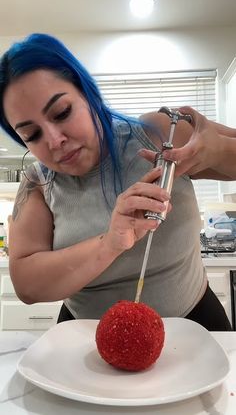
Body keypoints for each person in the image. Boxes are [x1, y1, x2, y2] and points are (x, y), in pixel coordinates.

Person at [0, 33, 235, 331]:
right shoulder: (38, 183)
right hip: (87, 339)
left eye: (62, 113)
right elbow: (27, 285)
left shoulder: (161, 132)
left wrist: (218, 151)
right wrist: (110, 243)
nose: (55, 141)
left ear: (87, 93)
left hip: (194, 326)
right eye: (32, 135)